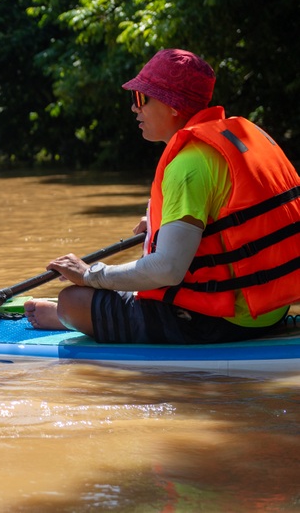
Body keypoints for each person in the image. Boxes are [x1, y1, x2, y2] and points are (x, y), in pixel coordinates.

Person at [25, 49, 300, 343]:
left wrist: (91, 274)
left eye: (142, 99)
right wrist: (163, 225)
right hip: (272, 310)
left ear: (173, 106)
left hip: (219, 322)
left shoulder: (188, 165)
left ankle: (67, 318)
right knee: (130, 279)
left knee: (72, 299)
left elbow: (167, 270)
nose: (135, 108)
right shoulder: (243, 138)